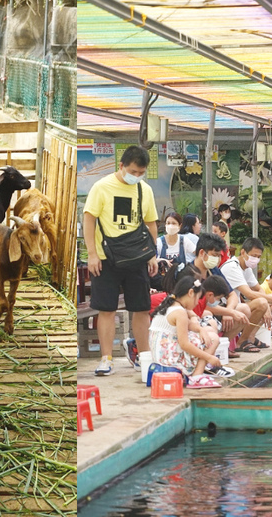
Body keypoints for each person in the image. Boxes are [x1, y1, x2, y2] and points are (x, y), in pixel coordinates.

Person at [83, 146, 159, 376]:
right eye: (133, 171)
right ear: (122, 166)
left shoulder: (145, 190)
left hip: (136, 257)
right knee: (106, 309)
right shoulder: (102, 187)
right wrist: (92, 254)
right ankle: (106, 359)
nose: (136, 176)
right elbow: (89, 219)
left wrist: (152, 254)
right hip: (106, 259)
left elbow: (151, 223)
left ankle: (144, 357)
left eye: (140, 173)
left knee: (141, 308)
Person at [175, 234, 259, 354]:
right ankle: (211, 350)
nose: (217, 260)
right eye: (214, 255)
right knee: (208, 313)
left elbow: (232, 295)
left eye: (219, 256)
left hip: (217, 309)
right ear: (202, 253)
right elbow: (198, 304)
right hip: (196, 312)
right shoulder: (189, 272)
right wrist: (229, 312)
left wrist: (229, 311)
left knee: (244, 309)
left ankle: (223, 345)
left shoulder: (213, 270)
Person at [149, 276, 224, 389]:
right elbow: (184, 344)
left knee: (207, 333)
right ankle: (197, 377)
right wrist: (209, 357)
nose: (197, 303)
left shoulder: (171, 303)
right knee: (213, 338)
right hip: (169, 359)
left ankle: (197, 375)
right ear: (190, 293)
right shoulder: (180, 312)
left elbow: (188, 325)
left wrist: (200, 329)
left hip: (161, 354)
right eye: (197, 298)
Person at [217, 238, 272, 349]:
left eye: (259, 257)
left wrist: (268, 308)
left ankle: (250, 338)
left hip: (238, 307)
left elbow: (259, 289)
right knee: (263, 302)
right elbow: (249, 294)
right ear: (243, 252)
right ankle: (242, 341)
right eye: (254, 256)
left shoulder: (246, 267)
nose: (256, 259)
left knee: (268, 302)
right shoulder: (232, 267)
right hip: (226, 309)